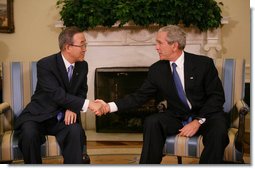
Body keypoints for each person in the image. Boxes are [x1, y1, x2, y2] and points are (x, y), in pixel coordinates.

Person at [95, 25, 229, 164]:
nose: (156, 47)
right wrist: (108, 107)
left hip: (207, 115)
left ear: (174, 45)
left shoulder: (203, 64)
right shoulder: (157, 70)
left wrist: (198, 121)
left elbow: (217, 96)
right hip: (178, 116)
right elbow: (139, 96)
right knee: (152, 122)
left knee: (218, 131)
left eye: (160, 43)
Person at [14, 26, 101, 164]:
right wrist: (88, 104)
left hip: (63, 117)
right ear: (68, 47)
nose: (85, 49)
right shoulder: (46, 64)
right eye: (82, 45)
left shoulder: (82, 65)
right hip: (39, 116)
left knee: (75, 131)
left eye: (86, 44)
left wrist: (72, 108)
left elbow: (81, 91)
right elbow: (57, 94)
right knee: (29, 134)